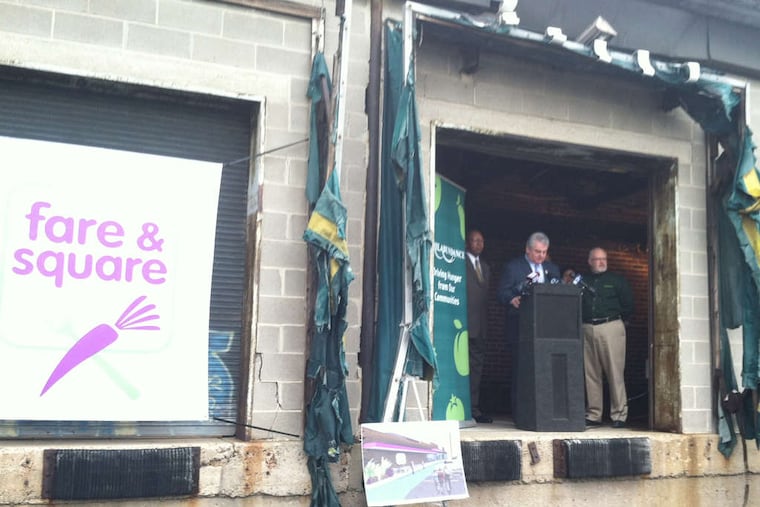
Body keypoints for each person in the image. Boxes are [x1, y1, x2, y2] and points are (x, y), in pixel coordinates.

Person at [496, 232, 560, 415]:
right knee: (521, 371)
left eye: (544, 252)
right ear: (527, 249)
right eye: (537, 251)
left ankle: (544, 410)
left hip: (546, 329)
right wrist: (512, 299)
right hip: (520, 328)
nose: (541, 256)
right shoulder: (514, 267)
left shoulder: (552, 269)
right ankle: (519, 411)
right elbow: (501, 292)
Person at [581, 247, 634, 429]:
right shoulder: (583, 281)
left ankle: (619, 414)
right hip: (587, 327)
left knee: (614, 371)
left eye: (604, 259)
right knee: (591, 373)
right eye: (597, 259)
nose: (601, 262)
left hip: (610, 326)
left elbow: (628, 305)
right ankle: (594, 414)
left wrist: (620, 323)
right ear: (589, 262)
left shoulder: (617, 280)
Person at [465, 229, 492, 423]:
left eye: (481, 241)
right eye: (475, 240)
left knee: (476, 369)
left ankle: (474, 408)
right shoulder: (459, 263)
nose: (478, 244)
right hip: (463, 325)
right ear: (467, 242)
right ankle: (462, 408)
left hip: (480, 326)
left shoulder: (485, 267)